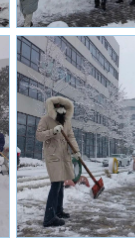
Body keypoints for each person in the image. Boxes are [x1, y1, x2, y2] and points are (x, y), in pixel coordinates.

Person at [36, 96, 80, 227]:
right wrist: (52, 131)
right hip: (53, 156)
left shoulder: (66, 121)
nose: (61, 109)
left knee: (60, 184)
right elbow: (39, 135)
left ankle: (58, 211)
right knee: (56, 184)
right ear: (53, 107)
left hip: (64, 156)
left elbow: (71, 137)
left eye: (63, 107)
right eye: (58, 106)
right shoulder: (45, 119)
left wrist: (76, 151)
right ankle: (49, 218)